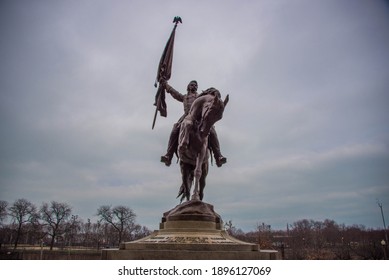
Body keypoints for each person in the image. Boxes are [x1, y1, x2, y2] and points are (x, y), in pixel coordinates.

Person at [160, 80, 227, 167]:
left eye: (196, 85)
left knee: (212, 130)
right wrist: (165, 85)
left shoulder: (200, 96)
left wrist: (215, 92)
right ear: (188, 87)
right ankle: (169, 155)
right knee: (175, 129)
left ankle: (218, 156)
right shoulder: (184, 97)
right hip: (186, 117)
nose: (194, 86)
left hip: (199, 119)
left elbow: (209, 93)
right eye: (192, 85)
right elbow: (174, 93)